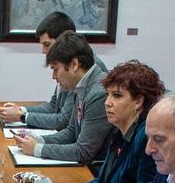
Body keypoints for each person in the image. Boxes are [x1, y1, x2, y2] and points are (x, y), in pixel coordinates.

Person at [52, 60, 161, 183]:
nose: (107, 102)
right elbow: (106, 179)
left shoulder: (147, 140)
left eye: (116, 96)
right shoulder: (121, 130)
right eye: (108, 94)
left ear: (138, 102)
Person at [18, 32, 109, 166]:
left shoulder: (99, 93)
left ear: (74, 64)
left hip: (94, 172)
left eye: (55, 69)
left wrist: (37, 149)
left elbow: (83, 151)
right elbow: (71, 132)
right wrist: (38, 140)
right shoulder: (82, 85)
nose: (54, 77)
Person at [0, 11, 84, 128]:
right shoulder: (64, 64)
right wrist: (20, 110)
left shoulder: (79, 68)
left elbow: (63, 120)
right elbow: (53, 107)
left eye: (47, 44)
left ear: (63, 40)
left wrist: (22, 116)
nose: (43, 51)